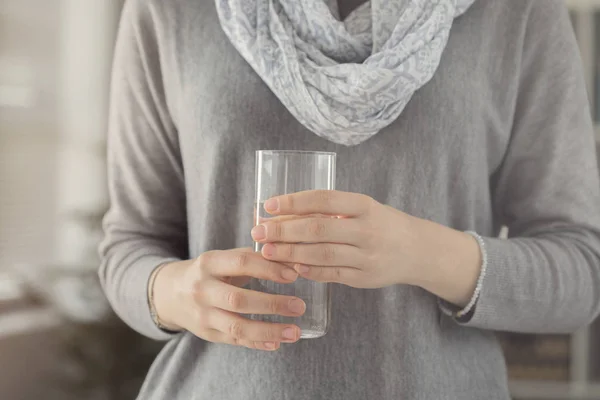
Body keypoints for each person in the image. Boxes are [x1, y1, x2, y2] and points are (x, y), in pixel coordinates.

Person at [99, 0, 600, 399]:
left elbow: (582, 270)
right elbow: (130, 246)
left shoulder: (517, 11)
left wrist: (421, 252)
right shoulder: (169, 9)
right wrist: (176, 292)